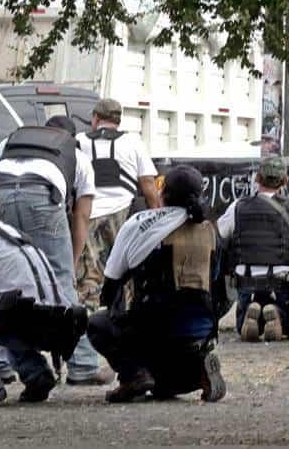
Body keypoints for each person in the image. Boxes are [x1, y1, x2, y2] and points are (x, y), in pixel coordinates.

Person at [0, 118, 112, 386]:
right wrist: (70, 264)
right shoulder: (74, 153)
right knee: (60, 281)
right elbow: (82, 217)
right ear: (70, 137)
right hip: (42, 196)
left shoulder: (12, 141)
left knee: (0, 282)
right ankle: (83, 366)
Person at [87, 165, 226, 403]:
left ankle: (134, 375)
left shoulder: (141, 222)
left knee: (97, 323)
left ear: (163, 192)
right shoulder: (212, 231)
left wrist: (115, 312)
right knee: (163, 390)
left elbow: (110, 286)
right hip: (199, 335)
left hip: (153, 332)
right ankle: (199, 368)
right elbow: (223, 290)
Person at [0, 182, 87, 406]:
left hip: (23, 321)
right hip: (57, 321)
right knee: (4, 307)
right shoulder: (14, 235)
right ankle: (37, 375)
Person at [217, 156, 289, 342]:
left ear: (257, 178)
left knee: (242, 323)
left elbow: (219, 235)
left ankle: (250, 318)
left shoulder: (238, 206)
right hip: (281, 283)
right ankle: (279, 315)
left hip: (247, 282)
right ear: (285, 181)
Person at [74, 98, 161, 315]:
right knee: (125, 273)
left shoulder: (80, 141)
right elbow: (149, 187)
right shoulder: (133, 143)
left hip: (88, 217)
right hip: (124, 219)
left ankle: (87, 322)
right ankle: (123, 320)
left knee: (90, 277)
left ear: (95, 118)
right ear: (118, 121)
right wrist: (159, 222)